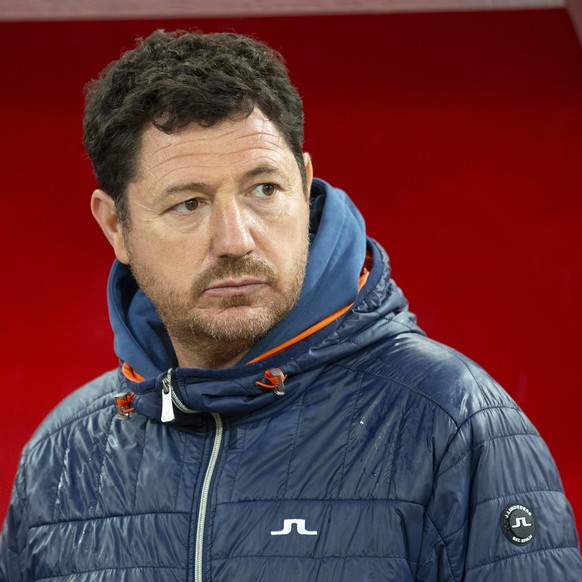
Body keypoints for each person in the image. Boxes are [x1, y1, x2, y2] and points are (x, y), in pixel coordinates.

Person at [0, 29, 580, 582]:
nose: (236, 239)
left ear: (304, 185)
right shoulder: (63, 457)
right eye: (188, 203)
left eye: (263, 190)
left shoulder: (451, 421)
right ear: (115, 225)